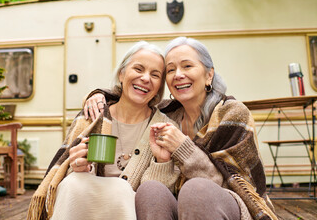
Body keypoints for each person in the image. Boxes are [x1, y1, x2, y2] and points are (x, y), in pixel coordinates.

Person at [83, 37, 277, 220]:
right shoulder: (166, 113)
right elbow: (130, 98)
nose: (178, 75)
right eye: (170, 70)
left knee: (196, 190)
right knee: (150, 190)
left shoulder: (232, 113)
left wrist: (184, 148)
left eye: (187, 66)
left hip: (229, 204)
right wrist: (99, 96)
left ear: (209, 75)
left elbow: (235, 185)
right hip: (176, 203)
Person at [27, 41, 179, 220]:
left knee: (121, 189)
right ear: (121, 74)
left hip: (131, 209)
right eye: (138, 69)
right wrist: (77, 165)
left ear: (159, 87)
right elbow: (66, 180)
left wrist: (161, 162)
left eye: (155, 75)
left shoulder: (164, 128)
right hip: (87, 204)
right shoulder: (92, 116)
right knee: (72, 183)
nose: (145, 78)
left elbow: (156, 199)